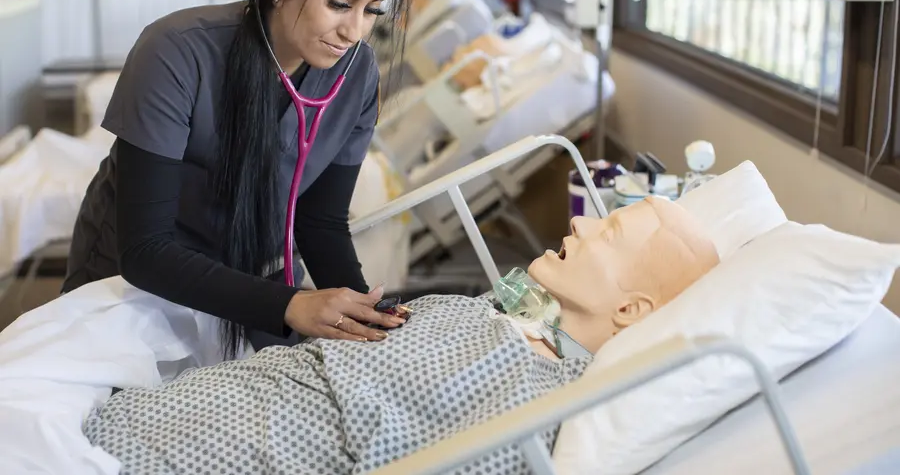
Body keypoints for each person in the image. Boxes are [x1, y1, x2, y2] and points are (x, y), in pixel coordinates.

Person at [82, 197, 720, 475]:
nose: (580, 227)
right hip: (173, 407)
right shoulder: (506, 322)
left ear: (632, 310)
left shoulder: (536, 400)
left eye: (607, 236)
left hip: (202, 449)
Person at [60, 0, 415, 358]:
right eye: (338, 3)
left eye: (372, 10)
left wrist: (365, 318)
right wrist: (291, 305)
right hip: (137, 291)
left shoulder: (357, 73)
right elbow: (145, 250)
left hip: (256, 285)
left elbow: (321, 222)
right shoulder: (176, 51)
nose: (354, 32)